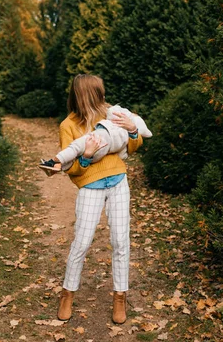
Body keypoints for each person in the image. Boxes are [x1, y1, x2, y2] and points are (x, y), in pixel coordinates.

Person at [54, 74, 143, 324]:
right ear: (86, 95)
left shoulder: (112, 114)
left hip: (118, 181)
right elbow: (70, 169)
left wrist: (133, 129)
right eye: (98, 93)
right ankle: (67, 294)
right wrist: (86, 156)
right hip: (91, 186)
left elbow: (132, 147)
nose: (103, 98)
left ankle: (120, 296)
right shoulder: (67, 126)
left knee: (120, 241)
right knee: (81, 242)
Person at [38, 104, 152, 177]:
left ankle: (54, 162)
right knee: (76, 155)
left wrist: (132, 129)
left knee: (75, 148)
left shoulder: (118, 121)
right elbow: (124, 154)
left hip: (98, 141)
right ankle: (57, 166)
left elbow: (113, 110)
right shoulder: (123, 135)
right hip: (101, 152)